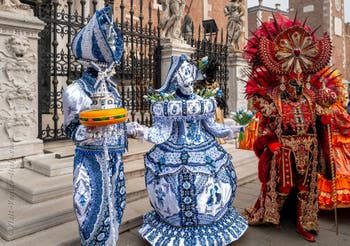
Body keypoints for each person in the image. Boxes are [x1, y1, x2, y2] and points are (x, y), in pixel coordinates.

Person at [127, 55, 248, 245]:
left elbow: (212, 127)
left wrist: (230, 130)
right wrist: (142, 131)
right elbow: (161, 132)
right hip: (173, 151)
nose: (189, 84)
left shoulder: (202, 102)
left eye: (190, 79)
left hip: (205, 149)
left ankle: (209, 221)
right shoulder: (167, 105)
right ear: (175, 80)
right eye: (184, 79)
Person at [242, 14, 334, 242]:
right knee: (284, 186)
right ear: (284, 79)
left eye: (300, 82)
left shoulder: (312, 97)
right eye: (292, 83)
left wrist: (324, 122)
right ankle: (274, 214)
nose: (296, 87)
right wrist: (271, 144)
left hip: (309, 151)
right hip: (284, 151)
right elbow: (264, 127)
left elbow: (321, 121)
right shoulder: (273, 99)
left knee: (305, 188)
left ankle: (304, 223)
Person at [63, 7, 127, 245]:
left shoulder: (111, 88)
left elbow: (119, 121)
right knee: (89, 208)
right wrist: (89, 132)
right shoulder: (75, 91)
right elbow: (70, 129)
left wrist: (134, 130)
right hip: (91, 160)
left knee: (117, 206)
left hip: (115, 160)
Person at [318, 83, 350, 209]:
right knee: (341, 170)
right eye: (344, 92)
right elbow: (346, 126)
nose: (345, 94)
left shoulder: (328, 109)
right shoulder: (337, 109)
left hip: (328, 142)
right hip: (337, 145)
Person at [196, 58, 227, 144]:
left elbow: (218, 93)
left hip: (215, 107)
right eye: (209, 76)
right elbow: (198, 94)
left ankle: (218, 137)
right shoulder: (200, 84)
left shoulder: (215, 83)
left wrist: (217, 98)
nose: (211, 79)